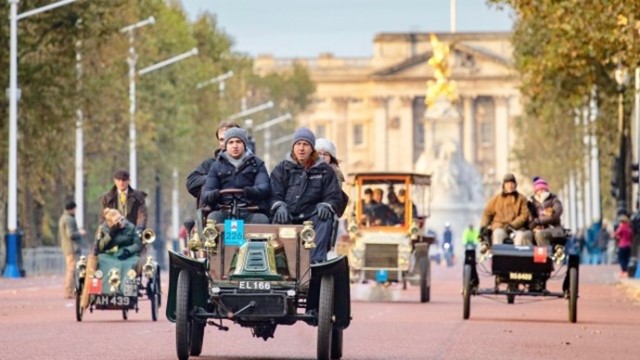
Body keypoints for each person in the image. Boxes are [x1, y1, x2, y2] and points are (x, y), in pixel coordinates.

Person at [270, 127, 342, 263]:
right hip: (288, 215)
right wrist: (279, 206)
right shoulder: (281, 169)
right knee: (278, 217)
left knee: (325, 218)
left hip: (312, 217)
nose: (301, 148)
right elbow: (274, 193)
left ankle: (316, 262)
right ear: (293, 147)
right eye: (298, 144)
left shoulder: (324, 170)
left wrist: (326, 205)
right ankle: (279, 262)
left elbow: (334, 196)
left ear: (312, 148)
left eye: (305, 144)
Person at [201, 127, 271, 223]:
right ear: (225, 145)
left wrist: (252, 191)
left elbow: (265, 187)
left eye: (238, 141)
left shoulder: (257, 164)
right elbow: (206, 193)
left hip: (250, 211)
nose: (235, 145)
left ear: (244, 144)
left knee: (262, 220)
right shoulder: (216, 166)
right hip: (223, 212)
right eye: (231, 142)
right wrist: (215, 194)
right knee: (212, 219)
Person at [186, 121, 241, 207]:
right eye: (221, 140)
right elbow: (191, 182)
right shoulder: (210, 164)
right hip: (216, 212)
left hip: (246, 213)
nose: (225, 143)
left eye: (229, 138)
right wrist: (214, 179)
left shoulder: (252, 163)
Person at [479, 173, 531, 245]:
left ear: (515, 185)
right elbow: (487, 213)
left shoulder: (522, 199)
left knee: (520, 236)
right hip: (500, 227)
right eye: (507, 183)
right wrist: (483, 227)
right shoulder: (496, 199)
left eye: (512, 183)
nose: (510, 186)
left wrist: (512, 225)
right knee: (497, 234)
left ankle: (517, 255)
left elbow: (524, 215)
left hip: (516, 229)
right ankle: (497, 255)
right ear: (504, 185)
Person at [59, 200, 85, 299]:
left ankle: (71, 291)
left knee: (71, 270)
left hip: (66, 247)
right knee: (71, 270)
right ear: (72, 209)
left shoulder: (63, 218)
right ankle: (69, 292)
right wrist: (80, 233)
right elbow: (70, 234)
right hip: (72, 248)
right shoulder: (69, 219)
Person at [527, 177, 563, 247]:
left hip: (554, 229)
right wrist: (534, 226)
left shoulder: (554, 200)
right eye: (538, 189)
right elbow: (529, 219)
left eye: (542, 189)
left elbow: (555, 215)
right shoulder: (531, 203)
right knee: (525, 235)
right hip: (535, 229)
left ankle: (546, 256)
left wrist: (538, 221)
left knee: (540, 235)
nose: (540, 191)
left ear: (546, 189)